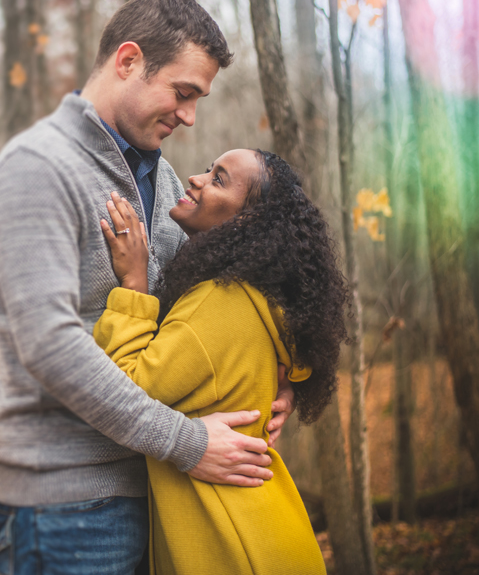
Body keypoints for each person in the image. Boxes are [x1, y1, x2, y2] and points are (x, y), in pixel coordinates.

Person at [0, 0, 296, 574]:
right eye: (182, 93)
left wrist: (278, 384)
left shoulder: (167, 181)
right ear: (128, 62)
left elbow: (213, 305)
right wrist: (186, 442)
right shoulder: (37, 168)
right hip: (68, 506)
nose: (189, 116)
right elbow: (51, 348)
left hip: (159, 495)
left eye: (198, 99)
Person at [95, 149, 348, 574]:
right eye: (210, 169)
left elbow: (123, 393)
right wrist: (287, 383)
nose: (195, 179)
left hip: (231, 544)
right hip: (263, 529)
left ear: (248, 221)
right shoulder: (258, 294)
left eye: (218, 179)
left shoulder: (217, 300)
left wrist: (134, 283)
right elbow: (296, 361)